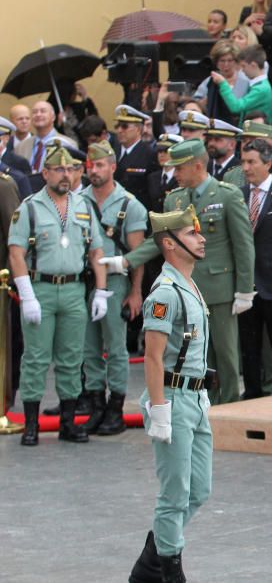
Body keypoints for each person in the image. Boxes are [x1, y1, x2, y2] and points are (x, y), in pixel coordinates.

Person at [109, 140, 255, 406]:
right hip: (186, 289)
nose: (174, 173)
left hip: (219, 287)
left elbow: (243, 244)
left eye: (179, 168)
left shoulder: (227, 195)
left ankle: (230, 406)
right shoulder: (176, 197)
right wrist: (126, 262)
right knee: (194, 354)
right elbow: (160, 239)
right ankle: (203, 403)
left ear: (197, 165)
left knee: (225, 354)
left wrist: (244, 289)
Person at [126, 205, 210, 583]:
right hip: (173, 399)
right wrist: (159, 408)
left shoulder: (189, 284)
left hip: (195, 399)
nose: (201, 238)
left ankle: (149, 563)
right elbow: (154, 356)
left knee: (199, 490)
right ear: (170, 244)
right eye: (191, 234)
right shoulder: (165, 292)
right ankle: (170, 573)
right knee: (175, 495)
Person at [9, 146, 109, 446]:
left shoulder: (84, 205)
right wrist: (26, 295)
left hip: (74, 290)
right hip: (41, 288)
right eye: (59, 170)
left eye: (71, 170)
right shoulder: (29, 207)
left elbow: (96, 251)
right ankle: (31, 424)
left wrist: (101, 291)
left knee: (71, 358)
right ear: (46, 173)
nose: (66, 175)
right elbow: (16, 253)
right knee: (36, 359)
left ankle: (68, 423)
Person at [79, 140, 148, 436]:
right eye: (91, 166)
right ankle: (96, 404)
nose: (95, 170)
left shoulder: (128, 204)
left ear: (112, 167)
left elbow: (138, 254)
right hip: (84, 281)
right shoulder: (78, 201)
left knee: (116, 348)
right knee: (88, 348)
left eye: (100, 165)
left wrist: (136, 292)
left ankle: (116, 407)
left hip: (117, 282)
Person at [236, 137, 272, 398]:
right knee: (249, 348)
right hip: (247, 285)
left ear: (269, 164)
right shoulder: (239, 195)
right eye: (244, 162)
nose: (246, 168)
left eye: (252, 162)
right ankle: (252, 395)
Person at [111, 104, 159, 213]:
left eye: (124, 126)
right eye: (117, 126)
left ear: (138, 129)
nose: (119, 130)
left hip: (137, 212)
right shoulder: (113, 151)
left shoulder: (149, 154)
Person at [213, 45, 272, 124]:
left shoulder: (261, 89)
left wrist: (223, 84)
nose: (242, 70)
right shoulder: (257, 85)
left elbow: (236, 107)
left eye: (243, 66)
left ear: (253, 65)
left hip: (257, 133)